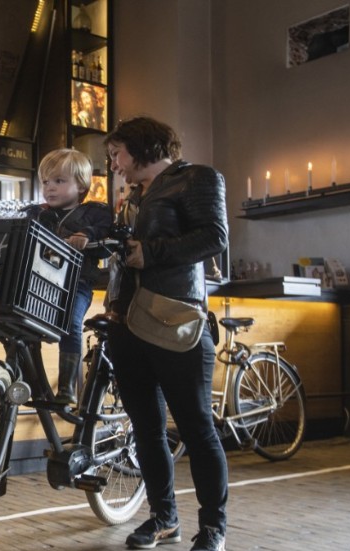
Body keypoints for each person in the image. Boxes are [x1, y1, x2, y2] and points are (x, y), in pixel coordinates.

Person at [102, 117, 229, 551]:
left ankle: (213, 528)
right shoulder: (131, 197)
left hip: (176, 319)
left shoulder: (196, 177)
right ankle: (163, 518)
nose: (114, 163)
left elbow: (214, 237)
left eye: (117, 153)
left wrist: (149, 253)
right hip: (128, 323)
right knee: (146, 429)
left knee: (197, 429)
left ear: (141, 147)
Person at [25, 148, 112, 404]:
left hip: (77, 283)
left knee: (71, 325)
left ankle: (67, 388)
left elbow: (103, 229)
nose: (49, 188)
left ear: (82, 186)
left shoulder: (94, 213)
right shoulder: (38, 213)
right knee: (24, 325)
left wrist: (86, 235)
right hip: (41, 282)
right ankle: (33, 384)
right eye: (45, 182)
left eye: (59, 181)